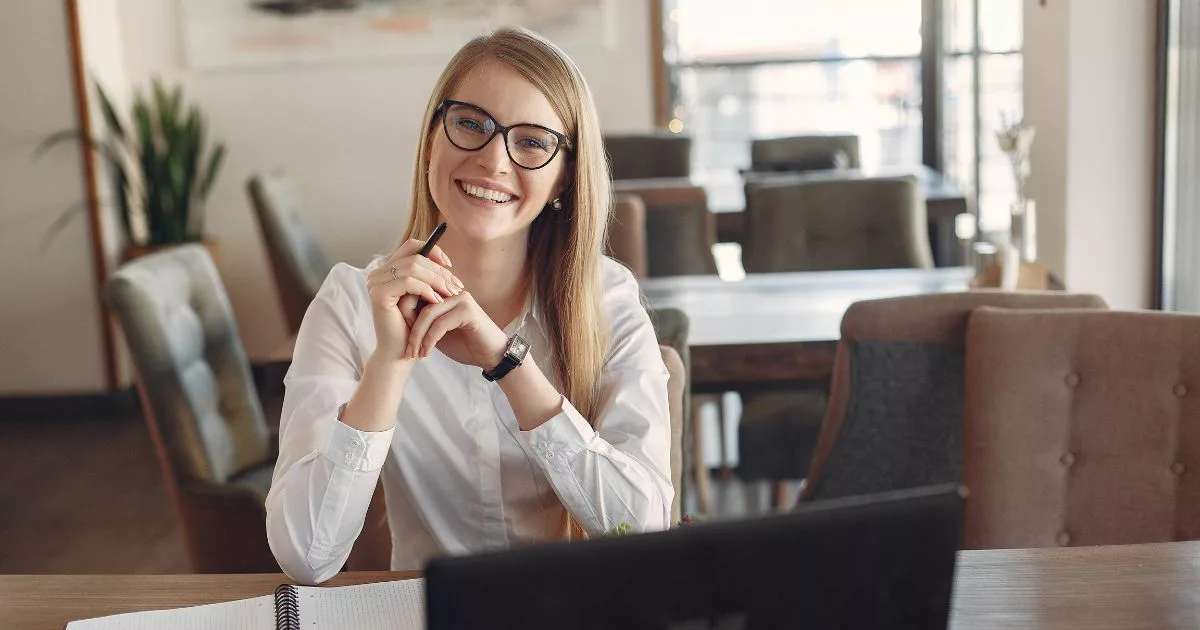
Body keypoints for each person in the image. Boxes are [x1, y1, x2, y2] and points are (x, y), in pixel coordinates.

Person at [265, 27, 673, 585]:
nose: (492, 159)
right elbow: (306, 557)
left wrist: (509, 364)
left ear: (564, 177)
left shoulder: (609, 300)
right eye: (471, 124)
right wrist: (390, 361)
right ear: (433, 136)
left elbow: (642, 534)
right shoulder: (350, 303)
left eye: (531, 141)